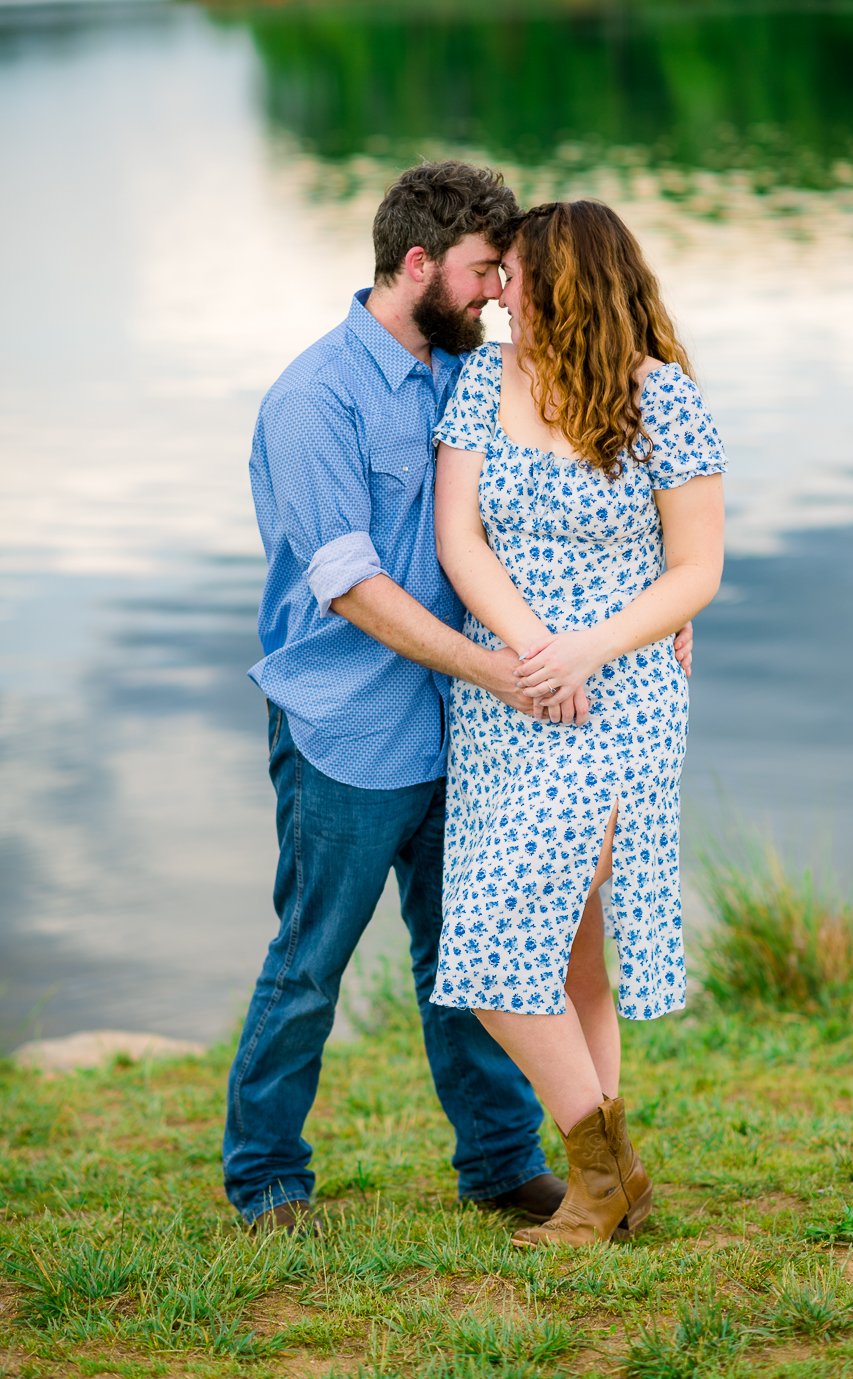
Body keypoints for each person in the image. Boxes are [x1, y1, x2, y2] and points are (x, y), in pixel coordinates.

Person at [223, 164, 694, 1234]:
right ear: (419, 262)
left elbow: (555, 496)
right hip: (349, 725)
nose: (495, 294)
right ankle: (266, 1178)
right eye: (485, 272)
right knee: (310, 960)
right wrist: (496, 667)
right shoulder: (314, 398)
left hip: (474, 732)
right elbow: (351, 585)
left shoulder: (464, 372)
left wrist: (656, 598)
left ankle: (499, 1164)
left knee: (474, 956)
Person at [431, 199, 726, 1248]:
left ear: (567, 281)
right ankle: (610, 1180)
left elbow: (696, 568)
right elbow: (458, 536)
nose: (498, 292)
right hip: (510, 698)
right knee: (538, 950)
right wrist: (529, 650)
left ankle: (601, 1185)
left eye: (512, 274)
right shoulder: (482, 380)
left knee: (530, 949)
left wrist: (587, 648)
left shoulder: (662, 398)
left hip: (621, 698)